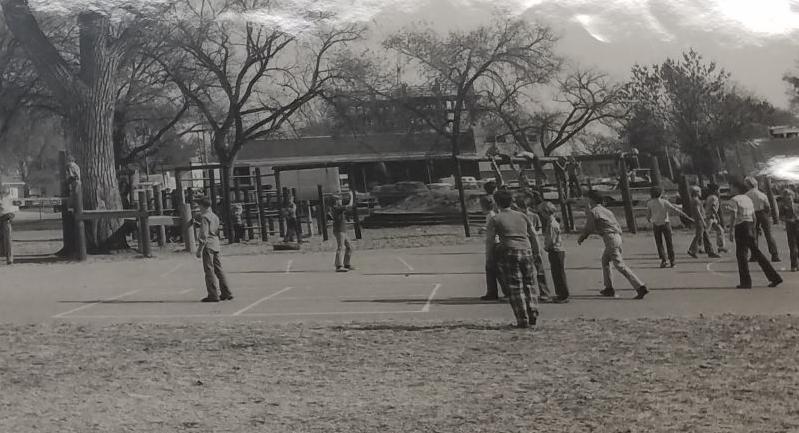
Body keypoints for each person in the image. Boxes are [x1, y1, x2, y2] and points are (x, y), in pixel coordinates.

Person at [578, 189, 649, 299]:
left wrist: (582, 237)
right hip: (616, 236)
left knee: (620, 265)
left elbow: (589, 227)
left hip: (610, 238)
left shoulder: (594, 211)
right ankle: (608, 288)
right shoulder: (606, 210)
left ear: (591, 199)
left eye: (587, 197)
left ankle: (640, 286)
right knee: (605, 261)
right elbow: (616, 225)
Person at [485, 189, 539, 328]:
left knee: (516, 286)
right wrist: (536, 251)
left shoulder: (495, 219)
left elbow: (490, 240)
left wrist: (489, 256)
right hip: (526, 249)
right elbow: (533, 234)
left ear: (497, 203)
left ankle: (522, 318)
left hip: (509, 251)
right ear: (511, 201)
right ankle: (532, 311)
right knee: (529, 283)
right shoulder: (522, 216)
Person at [727, 179, 782, 288]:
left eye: (732, 187)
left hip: (741, 226)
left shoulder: (734, 200)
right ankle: (774, 277)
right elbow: (754, 216)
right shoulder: (747, 199)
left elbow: (733, 216)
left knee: (741, 255)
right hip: (749, 225)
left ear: (737, 188)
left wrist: (730, 230)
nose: (730, 189)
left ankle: (746, 282)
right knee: (757, 253)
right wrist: (753, 228)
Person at [194, 196, 233, 302]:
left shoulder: (205, 217)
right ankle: (226, 292)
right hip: (216, 243)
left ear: (202, 206)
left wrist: (199, 249)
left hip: (208, 245)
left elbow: (204, 234)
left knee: (209, 270)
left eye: (199, 205)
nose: (198, 208)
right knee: (219, 269)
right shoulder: (214, 216)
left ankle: (213, 294)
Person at [515, 194, 552, 302]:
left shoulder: (534, 216)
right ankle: (528, 293)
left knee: (540, 270)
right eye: (521, 207)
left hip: (535, 244)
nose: (524, 210)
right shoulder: (517, 217)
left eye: (526, 207)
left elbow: (540, 229)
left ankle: (544, 292)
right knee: (525, 270)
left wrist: (533, 232)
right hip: (523, 245)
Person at [645, 187, 693, 268]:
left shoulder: (649, 203)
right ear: (660, 193)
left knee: (659, 243)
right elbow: (675, 210)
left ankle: (664, 260)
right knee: (669, 243)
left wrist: (649, 220)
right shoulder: (664, 202)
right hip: (665, 223)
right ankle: (672, 261)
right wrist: (687, 217)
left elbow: (648, 215)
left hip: (656, 224)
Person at [480, 181, 508, 301]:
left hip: (495, 244)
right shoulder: (491, 214)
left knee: (497, 268)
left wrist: (489, 249)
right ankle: (492, 292)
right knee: (491, 268)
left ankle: (506, 291)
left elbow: (494, 231)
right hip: (494, 242)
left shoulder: (491, 215)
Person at [538, 201, 569, 303]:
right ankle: (560, 293)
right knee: (556, 273)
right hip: (556, 250)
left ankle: (563, 295)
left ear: (546, 212)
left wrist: (547, 247)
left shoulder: (552, 224)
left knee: (558, 273)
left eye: (542, 213)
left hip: (556, 250)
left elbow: (552, 238)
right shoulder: (552, 222)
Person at [745, 176, 780, 262]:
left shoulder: (747, 195)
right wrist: (767, 214)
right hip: (762, 213)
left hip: (752, 213)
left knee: (754, 235)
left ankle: (754, 255)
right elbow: (767, 206)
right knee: (768, 234)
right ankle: (774, 255)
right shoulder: (761, 194)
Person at [687, 186, 720, 259]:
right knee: (699, 235)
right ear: (696, 192)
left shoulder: (694, 200)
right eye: (699, 191)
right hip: (700, 220)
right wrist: (703, 220)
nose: (701, 193)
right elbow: (698, 211)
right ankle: (692, 250)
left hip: (699, 219)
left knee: (705, 235)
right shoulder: (696, 200)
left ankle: (710, 251)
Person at [329, 191, 355, 272]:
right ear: (335, 201)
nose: (339, 200)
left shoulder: (338, 207)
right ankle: (338, 266)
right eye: (338, 199)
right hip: (339, 230)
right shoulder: (336, 208)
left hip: (342, 230)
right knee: (340, 247)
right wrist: (351, 196)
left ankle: (347, 264)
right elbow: (349, 206)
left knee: (350, 247)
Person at [779, 188, 799, 272]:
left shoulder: (797, 205)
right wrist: (787, 220)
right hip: (790, 227)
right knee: (792, 246)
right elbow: (781, 217)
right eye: (787, 197)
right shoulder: (783, 207)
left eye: (790, 196)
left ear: (793, 196)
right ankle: (794, 265)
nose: (789, 198)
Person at [705, 184, 727, 254]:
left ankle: (721, 247)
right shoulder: (714, 198)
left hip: (712, 217)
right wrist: (717, 216)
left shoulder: (709, 197)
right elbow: (713, 207)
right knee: (705, 232)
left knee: (720, 230)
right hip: (710, 217)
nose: (719, 191)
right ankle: (700, 246)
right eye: (718, 190)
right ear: (715, 190)